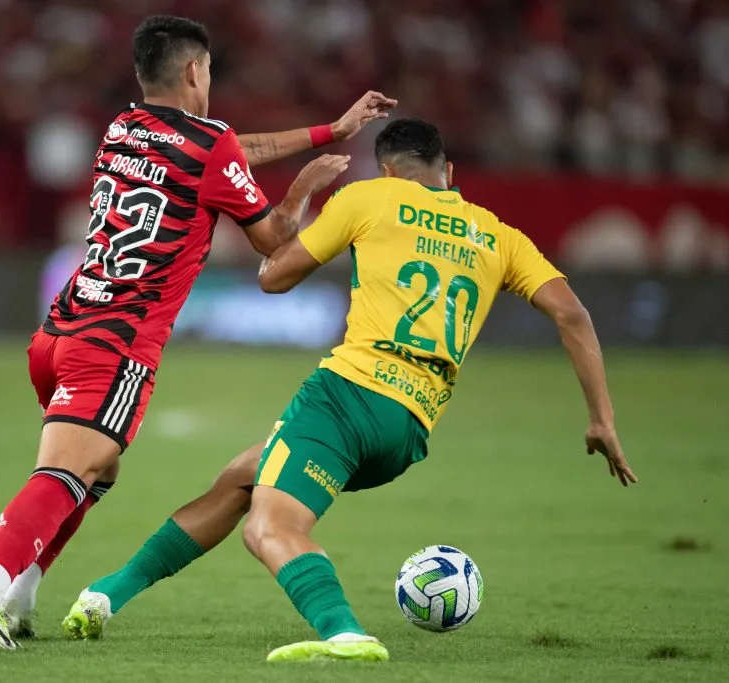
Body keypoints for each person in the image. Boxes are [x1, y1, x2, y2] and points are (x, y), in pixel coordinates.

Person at [64, 118, 638, 662]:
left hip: (345, 398)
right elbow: (573, 315)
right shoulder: (500, 236)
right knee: (244, 477)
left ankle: (344, 633)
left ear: (388, 171)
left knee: (270, 528)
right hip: (407, 428)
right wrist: (601, 420)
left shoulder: (368, 198)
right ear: (450, 174)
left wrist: (305, 191)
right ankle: (106, 596)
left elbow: (272, 277)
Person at [0, 14, 396, 649]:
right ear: (193, 71)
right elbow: (273, 240)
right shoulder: (211, 148)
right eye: (208, 70)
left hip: (59, 332)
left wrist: (328, 131)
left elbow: (231, 148)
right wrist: (305, 188)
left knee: (97, 471)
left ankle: (18, 596)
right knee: (70, 469)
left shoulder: (123, 128)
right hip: (116, 340)